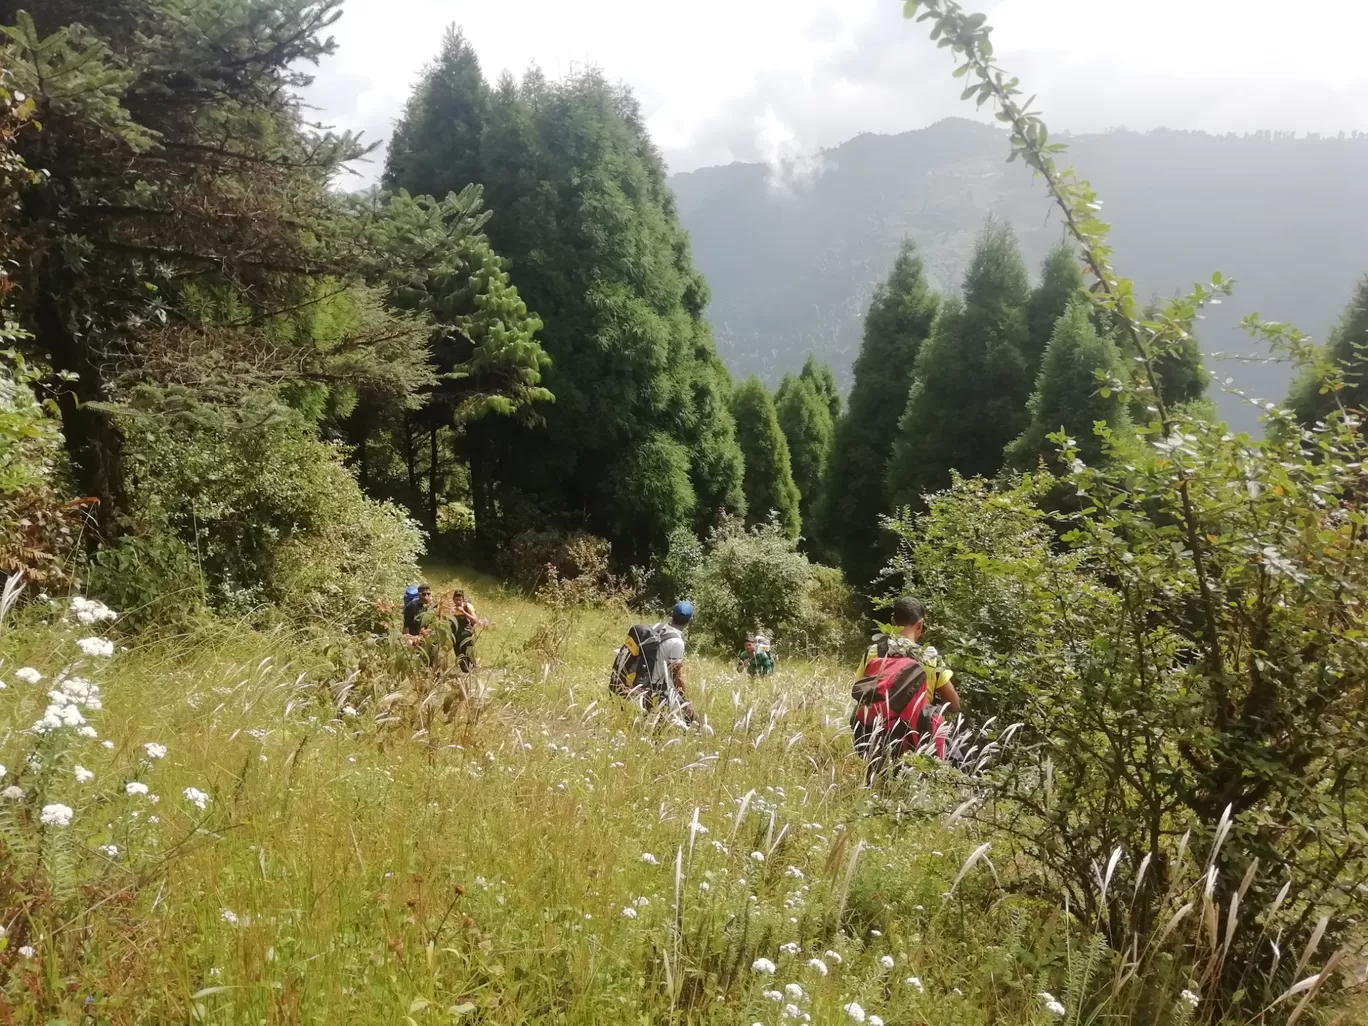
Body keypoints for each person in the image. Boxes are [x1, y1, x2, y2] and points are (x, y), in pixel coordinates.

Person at [850, 597, 960, 780]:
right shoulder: (930, 658)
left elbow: (860, 692)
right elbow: (954, 705)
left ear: (893, 621)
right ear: (920, 624)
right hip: (917, 741)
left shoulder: (873, 652)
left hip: (874, 738)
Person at [446, 588, 489, 672]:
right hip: (456, 637)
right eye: (456, 600)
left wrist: (464, 613)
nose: (458, 602)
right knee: (461, 659)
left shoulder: (467, 606)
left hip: (467, 636)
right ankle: (466, 676)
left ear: (463, 599)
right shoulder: (450, 608)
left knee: (470, 657)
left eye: (460, 600)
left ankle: (473, 675)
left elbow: (475, 620)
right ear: (453, 599)